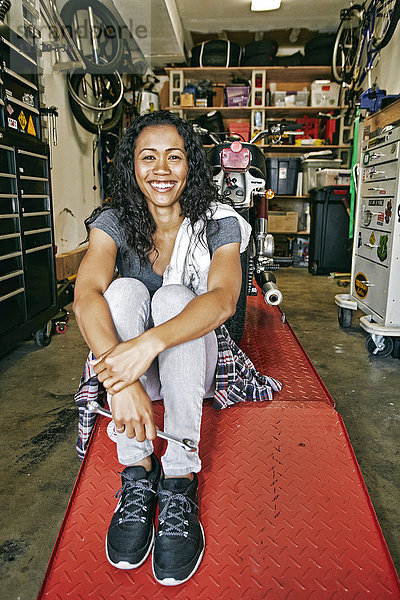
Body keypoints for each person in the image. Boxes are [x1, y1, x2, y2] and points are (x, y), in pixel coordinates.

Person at [73, 110, 281, 586]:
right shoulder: (114, 221)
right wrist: (119, 379)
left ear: (191, 165)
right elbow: (85, 296)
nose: (161, 169)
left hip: (195, 365)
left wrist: (140, 351)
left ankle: (179, 478)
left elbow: (225, 299)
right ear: (133, 166)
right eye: (148, 158)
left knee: (174, 299)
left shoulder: (218, 221)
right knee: (121, 293)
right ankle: (137, 473)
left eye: (174, 157)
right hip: (134, 373)